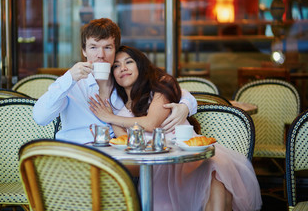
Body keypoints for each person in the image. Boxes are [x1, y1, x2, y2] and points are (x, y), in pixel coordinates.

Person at [89, 45, 262, 211]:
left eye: (129, 62)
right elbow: (124, 141)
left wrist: (110, 117)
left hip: (188, 157)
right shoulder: (118, 110)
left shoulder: (158, 89)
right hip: (158, 167)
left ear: (140, 65)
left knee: (217, 176)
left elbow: (151, 123)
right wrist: (111, 117)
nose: (123, 68)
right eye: (116, 66)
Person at [33, 18, 196, 144]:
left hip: (116, 160)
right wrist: (69, 78)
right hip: (76, 154)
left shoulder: (124, 81)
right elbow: (40, 118)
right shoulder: (71, 84)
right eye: (93, 47)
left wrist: (185, 106)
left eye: (107, 47)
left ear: (115, 50)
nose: (100, 55)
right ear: (84, 51)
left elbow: (167, 89)